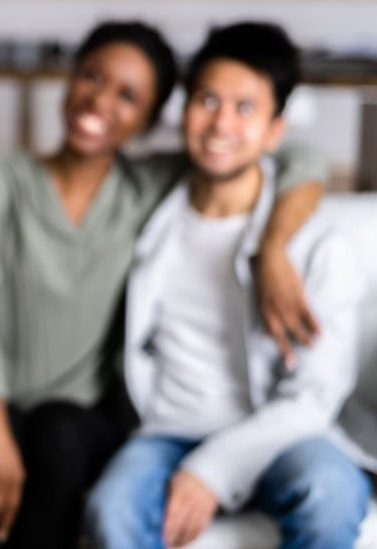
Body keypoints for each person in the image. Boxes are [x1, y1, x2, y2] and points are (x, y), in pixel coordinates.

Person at [0, 21, 329, 549]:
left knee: (57, 433)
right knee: (9, 441)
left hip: (73, 421)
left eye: (128, 96)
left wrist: (272, 249)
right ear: (70, 78)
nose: (100, 100)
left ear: (150, 118)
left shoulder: (146, 187)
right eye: (91, 76)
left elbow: (300, 159)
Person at [84, 22, 374, 549]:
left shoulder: (315, 247)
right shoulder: (149, 213)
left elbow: (316, 395)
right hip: (166, 429)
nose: (220, 124)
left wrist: (212, 470)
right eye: (207, 100)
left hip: (282, 431)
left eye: (245, 109)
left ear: (274, 131)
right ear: (184, 108)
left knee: (330, 493)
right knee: (111, 509)